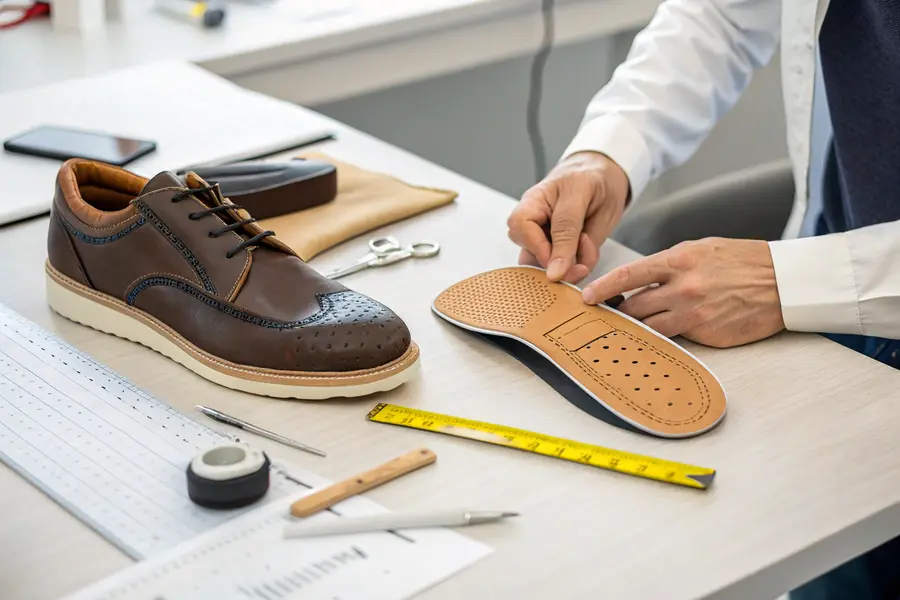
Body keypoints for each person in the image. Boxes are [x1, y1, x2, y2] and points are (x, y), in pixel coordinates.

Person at [506, 1, 900, 598]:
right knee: (817, 552)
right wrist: (608, 151)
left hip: (833, 283)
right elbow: (724, 13)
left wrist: (783, 283)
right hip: (836, 290)